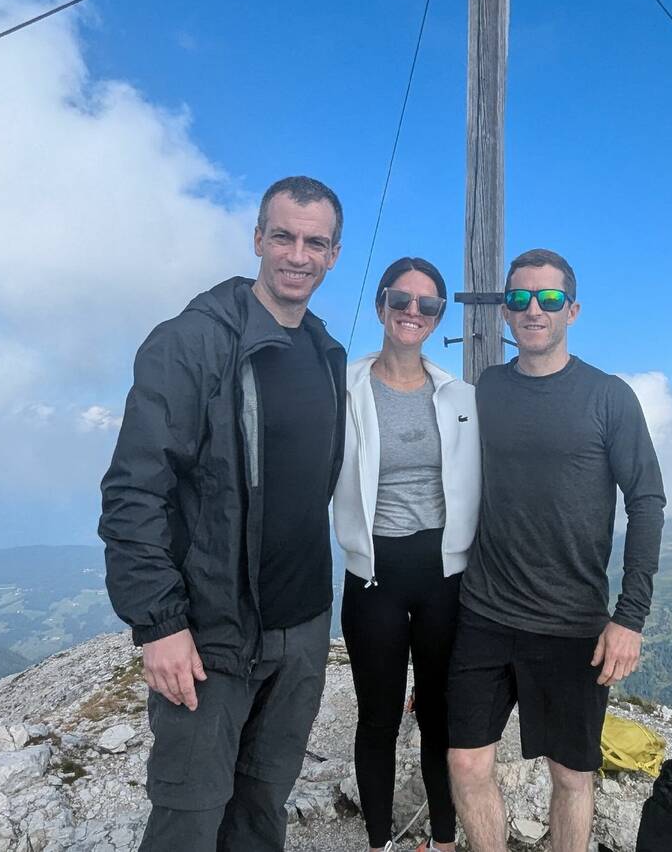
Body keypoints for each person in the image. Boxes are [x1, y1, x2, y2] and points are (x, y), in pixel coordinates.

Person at [99, 176, 347, 851]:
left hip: (301, 631)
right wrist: (159, 624)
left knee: (262, 807)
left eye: (315, 242)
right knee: (190, 816)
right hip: (212, 635)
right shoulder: (190, 342)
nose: (298, 254)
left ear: (334, 254)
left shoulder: (326, 353)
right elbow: (133, 490)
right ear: (258, 238)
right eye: (284, 236)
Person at [446, 248, 666, 852]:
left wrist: (629, 618)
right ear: (506, 313)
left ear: (572, 309)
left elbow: (646, 500)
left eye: (547, 299)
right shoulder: (487, 389)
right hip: (485, 612)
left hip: (572, 624)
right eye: (519, 299)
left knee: (572, 775)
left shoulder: (609, 396)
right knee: (466, 764)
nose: (533, 310)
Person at [333, 257, 479, 852]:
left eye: (428, 305)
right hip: (374, 575)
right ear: (380, 306)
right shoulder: (342, 388)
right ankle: (378, 843)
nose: (413, 313)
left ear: (440, 314)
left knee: (439, 716)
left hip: (444, 572)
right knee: (378, 719)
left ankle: (442, 841)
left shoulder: (459, 395)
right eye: (401, 300)